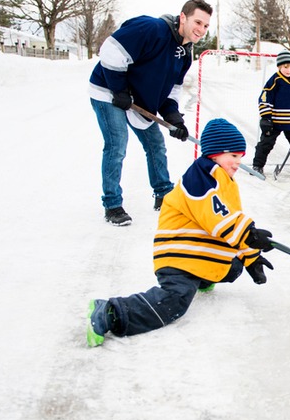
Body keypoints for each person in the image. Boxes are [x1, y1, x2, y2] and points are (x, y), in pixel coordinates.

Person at [86, 118, 275, 347]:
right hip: (179, 254)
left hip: (196, 252)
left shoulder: (223, 179)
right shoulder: (201, 177)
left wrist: (250, 257)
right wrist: (250, 233)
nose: (237, 163)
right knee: (174, 301)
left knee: (233, 267)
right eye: (233, 156)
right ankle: (111, 311)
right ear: (215, 153)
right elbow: (218, 218)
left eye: (240, 157)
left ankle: (202, 277)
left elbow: (230, 218)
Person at [89, 0, 213, 226]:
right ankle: (112, 205)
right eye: (198, 22)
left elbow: (172, 91)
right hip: (108, 90)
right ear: (183, 17)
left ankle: (163, 194)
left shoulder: (185, 53)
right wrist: (119, 89)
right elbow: (110, 50)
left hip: (137, 99)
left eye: (206, 26)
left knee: (155, 144)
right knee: (117, 144)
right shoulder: (152, 29)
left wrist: (174, 117)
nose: (201, 29)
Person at [252, 50, 290, 175]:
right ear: (279, 67)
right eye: (285, 67)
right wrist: (265, 118)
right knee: (266, 143)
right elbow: (264, 99)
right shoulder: (274, 81)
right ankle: (257, 166)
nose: (288, 70)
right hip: (275, 122)